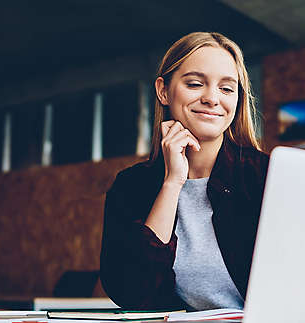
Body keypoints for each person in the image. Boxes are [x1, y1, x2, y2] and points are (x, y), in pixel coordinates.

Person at [100, 32, 269, 311]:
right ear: (163, 91)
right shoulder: (132, 186)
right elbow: (132, 292)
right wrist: (172, 183)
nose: (212, 98)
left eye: (227, 88)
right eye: (194, 84)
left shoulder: (265, 177)